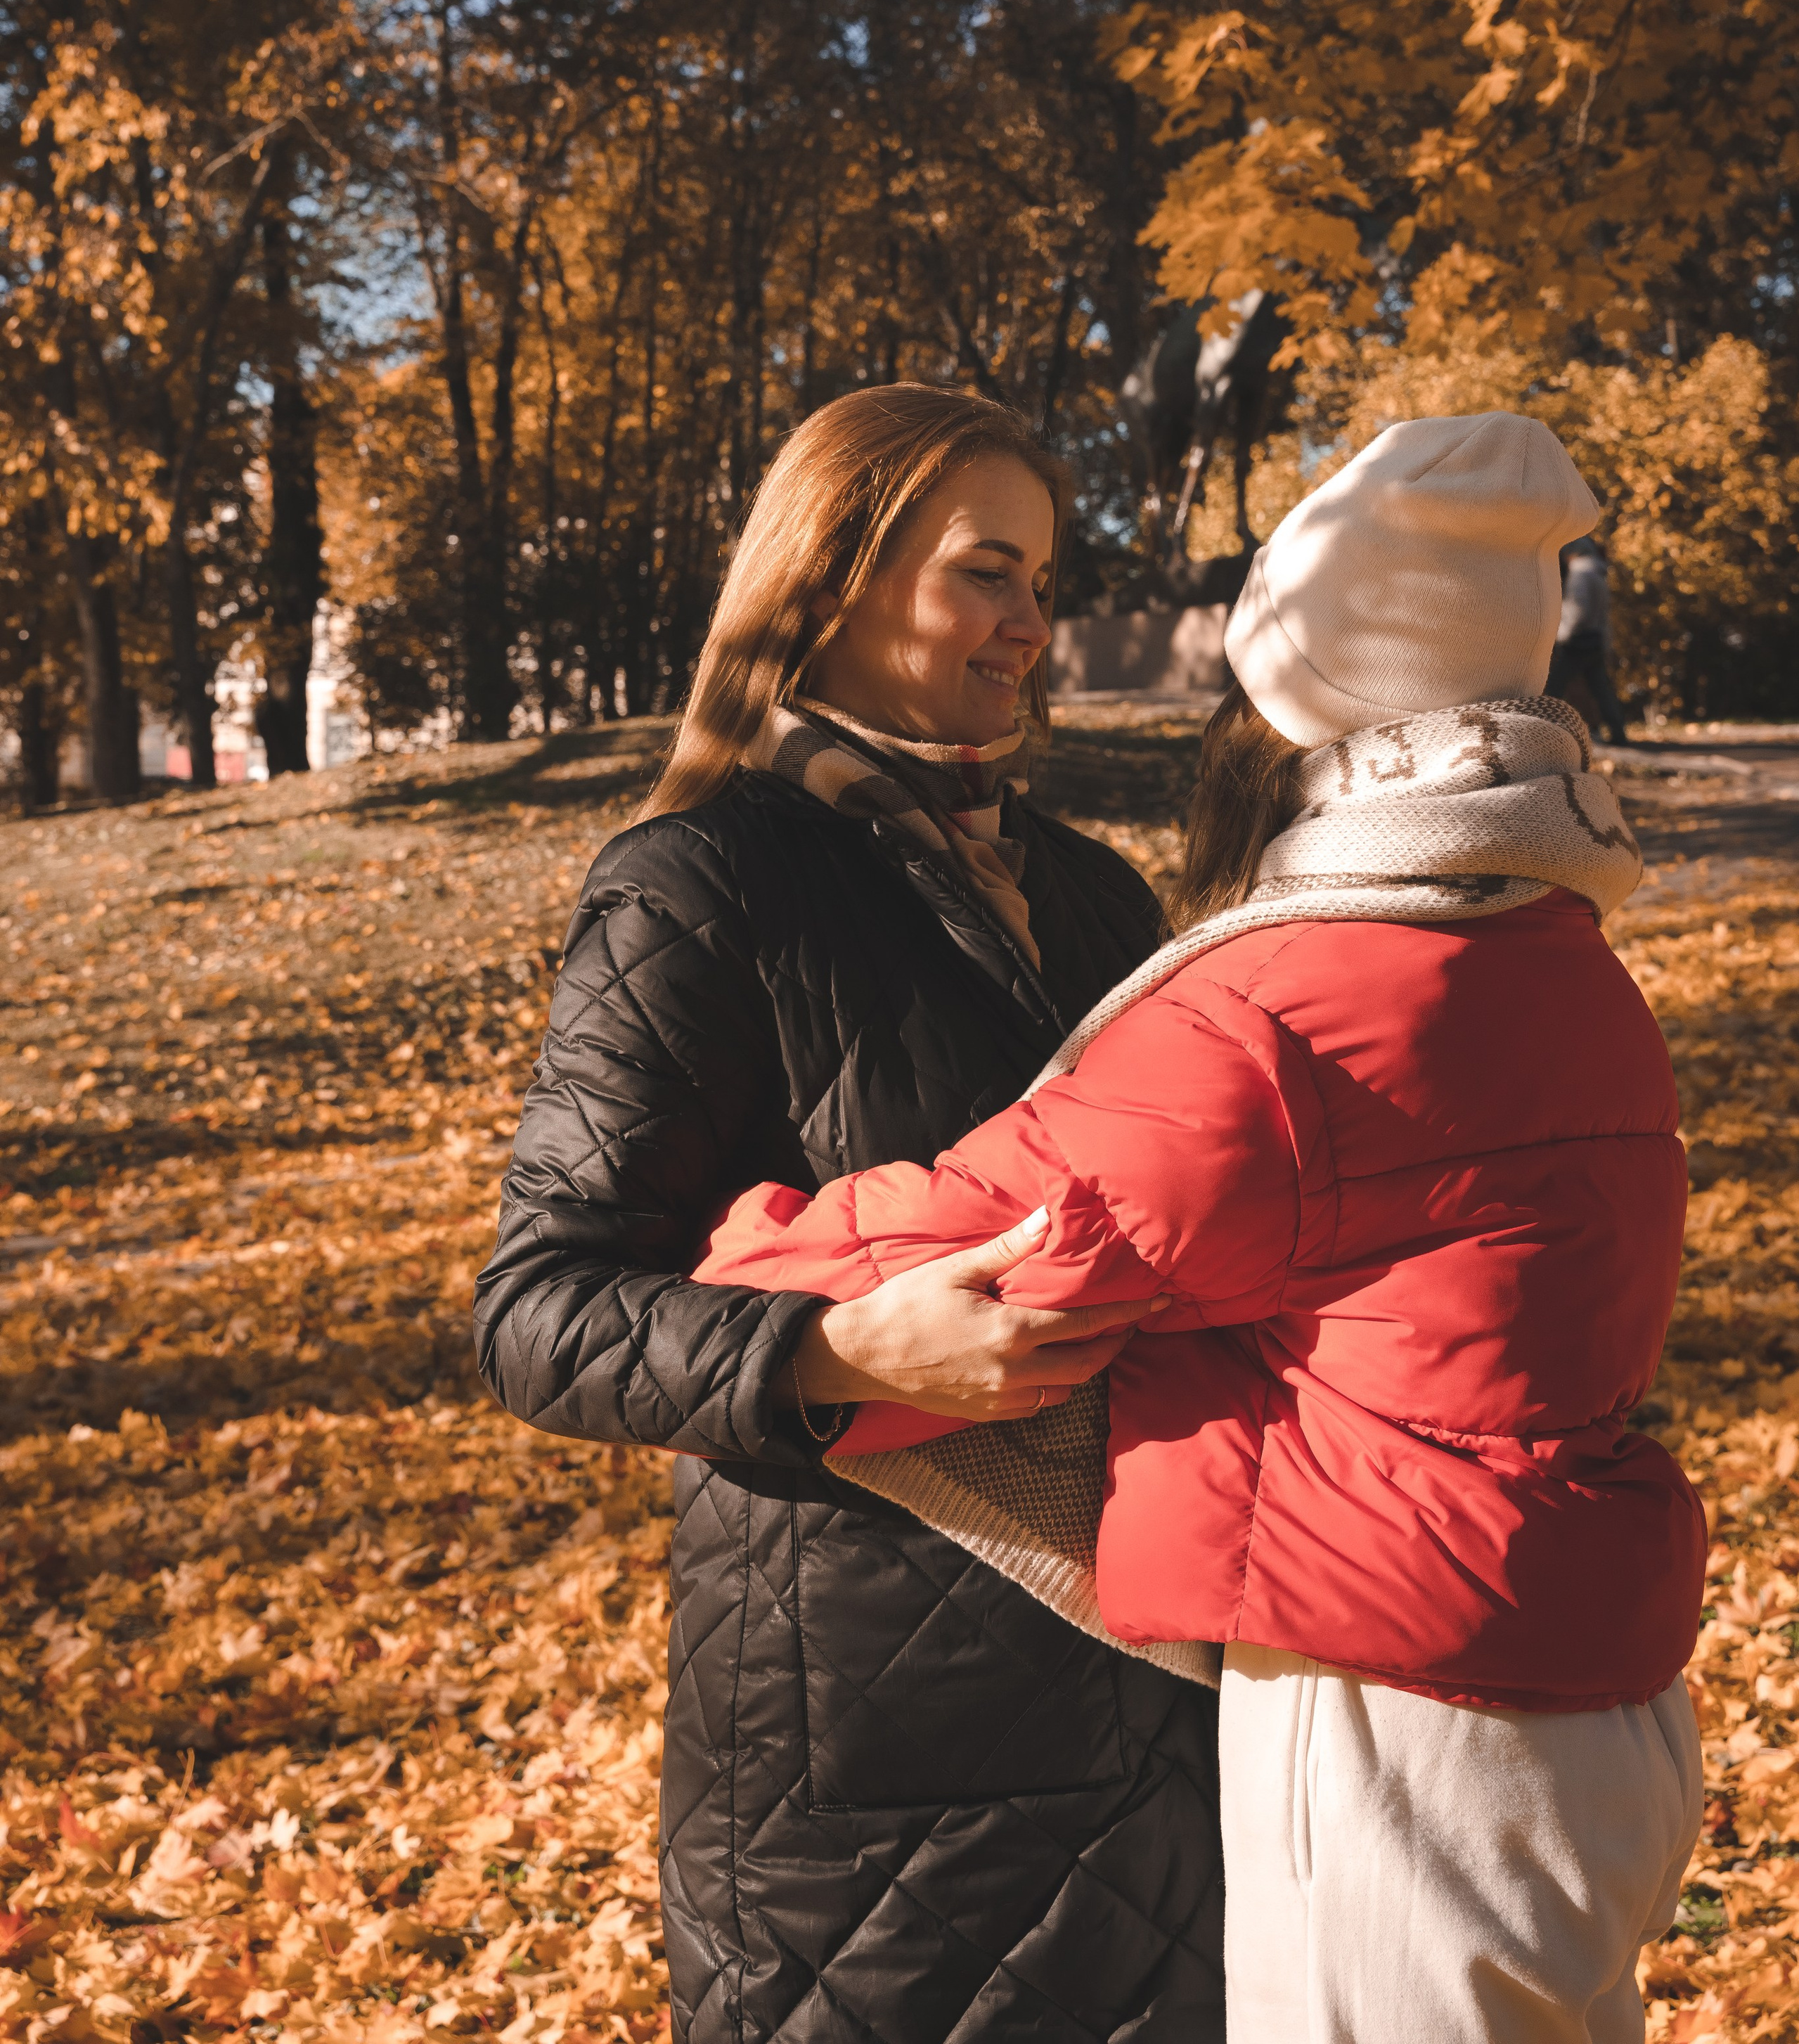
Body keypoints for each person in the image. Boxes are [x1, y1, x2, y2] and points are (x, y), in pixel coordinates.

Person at [694, 412, 1709, 2044]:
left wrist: (738, 1241)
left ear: (1298, 713)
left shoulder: (1286, 1006)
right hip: (1587, 1679)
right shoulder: (1555, 950)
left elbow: (999, 1234)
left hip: (1404, 1715)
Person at [473, 386, 1226, 2044]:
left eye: (1040, 576)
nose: (1030, 621)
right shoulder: (700, 881)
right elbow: (538, 1308)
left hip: (1142, 1696)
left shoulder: (1093, 893)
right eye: (985, 572)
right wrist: (834, 1345)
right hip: (868, 1760)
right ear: (833, 574)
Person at [1549, 533, 1631, 742]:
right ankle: (1618, 732)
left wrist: (1562, 636)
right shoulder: (1598, 574)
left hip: (1578, 641)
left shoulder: (1580, 575)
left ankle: (1541, 726)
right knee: (1601, 689)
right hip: (1595, 640)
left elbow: (1578, 611)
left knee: (1554, 686)